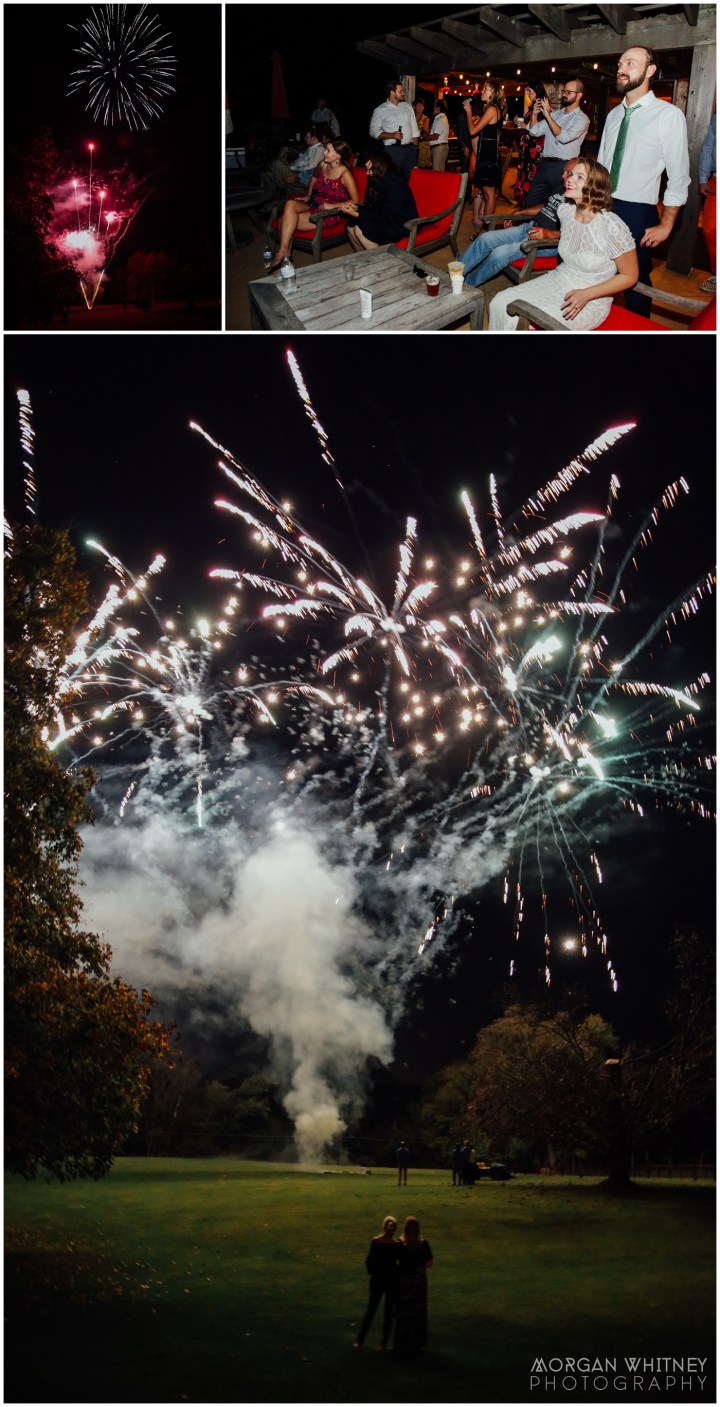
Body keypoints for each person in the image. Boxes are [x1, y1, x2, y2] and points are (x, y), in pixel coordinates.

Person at [488, 157, 638, 330]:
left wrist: (588, 294)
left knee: (523, 323)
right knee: (499, 303)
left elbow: (630, 276)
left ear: (595, 186)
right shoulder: (566, 211)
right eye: (571, 174)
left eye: (579, 177)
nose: (569, 179)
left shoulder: (611, 226)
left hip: (590, 298)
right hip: (559, 279)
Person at [597, 46, 690, 317]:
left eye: (630, 63)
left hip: (637, 211)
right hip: (602, 205)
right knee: (597, 271)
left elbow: (679, 176)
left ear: (650, 70)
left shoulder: (668, 115)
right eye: (620, 63)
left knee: (635, 283)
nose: (621, 68)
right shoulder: (614, 115)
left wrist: (666, 224)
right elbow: (602, 167)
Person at [459, 158, 577, 287]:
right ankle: (455, 274)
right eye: (564, 171)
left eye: (568, 173)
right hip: (530, 228)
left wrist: (550, 234)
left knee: (499, 253)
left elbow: (577, 234)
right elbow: (548, 205)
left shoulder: (583, 201)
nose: (563, 176)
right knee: (484, 239)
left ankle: (467, 285)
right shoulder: (564, 187)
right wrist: (522, 212)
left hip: (545, 244)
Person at [268, 140, 358, 271]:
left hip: (330, 213)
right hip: (316, 204)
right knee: (290, 204)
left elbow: (355, 200)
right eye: (325, 149)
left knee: (285, 220)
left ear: (339, 155)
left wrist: (332, 206)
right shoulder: (322, 165)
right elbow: (314, 178)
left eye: (328, 150)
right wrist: (309, 195)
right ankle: (284, 251)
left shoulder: (345, 174)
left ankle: (284, 253)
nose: (324, 152)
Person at [524, 77, 589, 206]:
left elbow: (564, 138)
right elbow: (534, 131)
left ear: (579, 95)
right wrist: (535, 115)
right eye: (564, 91)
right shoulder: (556, 114)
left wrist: (547, 115)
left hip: (564, 168)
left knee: (555, 208)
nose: (564, 94)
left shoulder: (582, 119)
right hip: (545, 165)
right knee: (530, 202)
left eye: (568, 92)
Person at [340, 152, 418, 252]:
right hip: (385, 218)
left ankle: (379, 264)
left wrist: (357, 214)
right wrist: (357, 208)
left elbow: (387, 216)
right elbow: (374, 208)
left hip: (401, 224)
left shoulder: (395, 184)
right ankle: (362, 259)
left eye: (370, 170)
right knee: (350, 226)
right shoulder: (376, 180)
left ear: (380, 168)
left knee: (362, 230)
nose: (367, 173)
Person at [354, 1215, 400, 1351]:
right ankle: (362, 1341)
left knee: (386, 1313)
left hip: (387, 1280)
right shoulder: (380, 1242)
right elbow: (369, 1260)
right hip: (381, 1279)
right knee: (372, 1310)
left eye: (393, 1226)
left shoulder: (393, 1244)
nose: (390, 1228)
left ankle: (382, 1344)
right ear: (385, 1226)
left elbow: (370, 1261)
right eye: (389, 1225)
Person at [465, 80, 505, 230]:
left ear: (493, 93)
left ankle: (487, 229)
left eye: (486, 89)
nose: (482, 91)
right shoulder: (492, 109)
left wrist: (469, 112)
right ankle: (485, 225)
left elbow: (472, 131)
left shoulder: (492, 109)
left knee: (489, 195)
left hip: (488, 159)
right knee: (487, 193)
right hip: (487, 157)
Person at [394, 1216, 433, 1353]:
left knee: (414, 1311)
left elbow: (430, 1261)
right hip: (408, 1280)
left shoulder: (421, 1244)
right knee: (408, 1312)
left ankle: (411, 1342)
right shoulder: (401, 1244)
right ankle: (408, 1341)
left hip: (414, 1281)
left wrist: (424, 1266)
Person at [369, 79, 420, 182]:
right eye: (400, 91)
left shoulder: (408, 107)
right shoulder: (380, 110)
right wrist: (391, 135)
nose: (403, 93)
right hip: (393, 151)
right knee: (393, 180)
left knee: (412, 181)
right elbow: (373, 131)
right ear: (392, 92)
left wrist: (415, 148)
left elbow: (414, 129)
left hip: (410, 150)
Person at [514, 80, 548, 206]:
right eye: (527, 91)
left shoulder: (543, 105)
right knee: (525, 173)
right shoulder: (533, 105)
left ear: (538, 91)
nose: (528, 94)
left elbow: (542, 127)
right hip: (528, 146)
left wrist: (525, 125)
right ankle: (525, 202)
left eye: (530, 91)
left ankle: (530, 203)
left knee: (532, 176)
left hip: (535, 147)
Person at [697, 113, 715, 293]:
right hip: (716, 180)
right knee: (710, 230)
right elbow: (708, 147)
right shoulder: (717, 119)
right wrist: (703, 177)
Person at [428, 98, 450, 172]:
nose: (433, 109)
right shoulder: (440, 118)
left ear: (438, 109)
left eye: (434, 107)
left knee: (436, 172)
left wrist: (422, 137)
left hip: (439, 148)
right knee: (439, 171)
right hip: (439, 148)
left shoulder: (441, 119)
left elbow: (435, 136)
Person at [414, 99, 432, 168]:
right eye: (419, 105)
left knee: (422, 167)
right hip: (413, 143)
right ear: (414, 106)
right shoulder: (411, 117)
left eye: (422, 106)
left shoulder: (425, 118)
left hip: (422, 144)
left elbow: (425, 131)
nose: (421, 108)